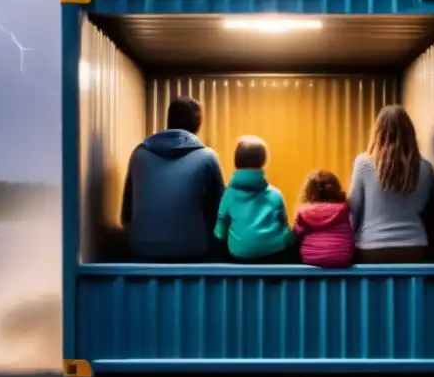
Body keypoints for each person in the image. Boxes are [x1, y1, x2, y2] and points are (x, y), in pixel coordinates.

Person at [121, 96, 226, 262]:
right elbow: (221, 214)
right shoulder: (208, 158)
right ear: (198, 124)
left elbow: (126, 215)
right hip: (194, 250)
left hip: (142, 249)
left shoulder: (139, 154)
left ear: (169, 120)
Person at [348, 105, 434, 263]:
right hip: (415, 247)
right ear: (410, 133)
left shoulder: (364, 163)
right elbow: (423, 207)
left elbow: (353, 209)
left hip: (371, 248)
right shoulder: (425, 168)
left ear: (378, 131)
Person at [214, 136, 297, 264]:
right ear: (262, 161)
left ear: (236, 161)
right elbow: (287, 232)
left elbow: (220, 232)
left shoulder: (228, 195)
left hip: (238, 256)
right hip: (273, 255)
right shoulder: (275, 195)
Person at [292, 169, 355, 268]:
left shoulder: (303, 212)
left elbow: (296, 237)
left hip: (311, 258)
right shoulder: (345, 210)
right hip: (342, 258)